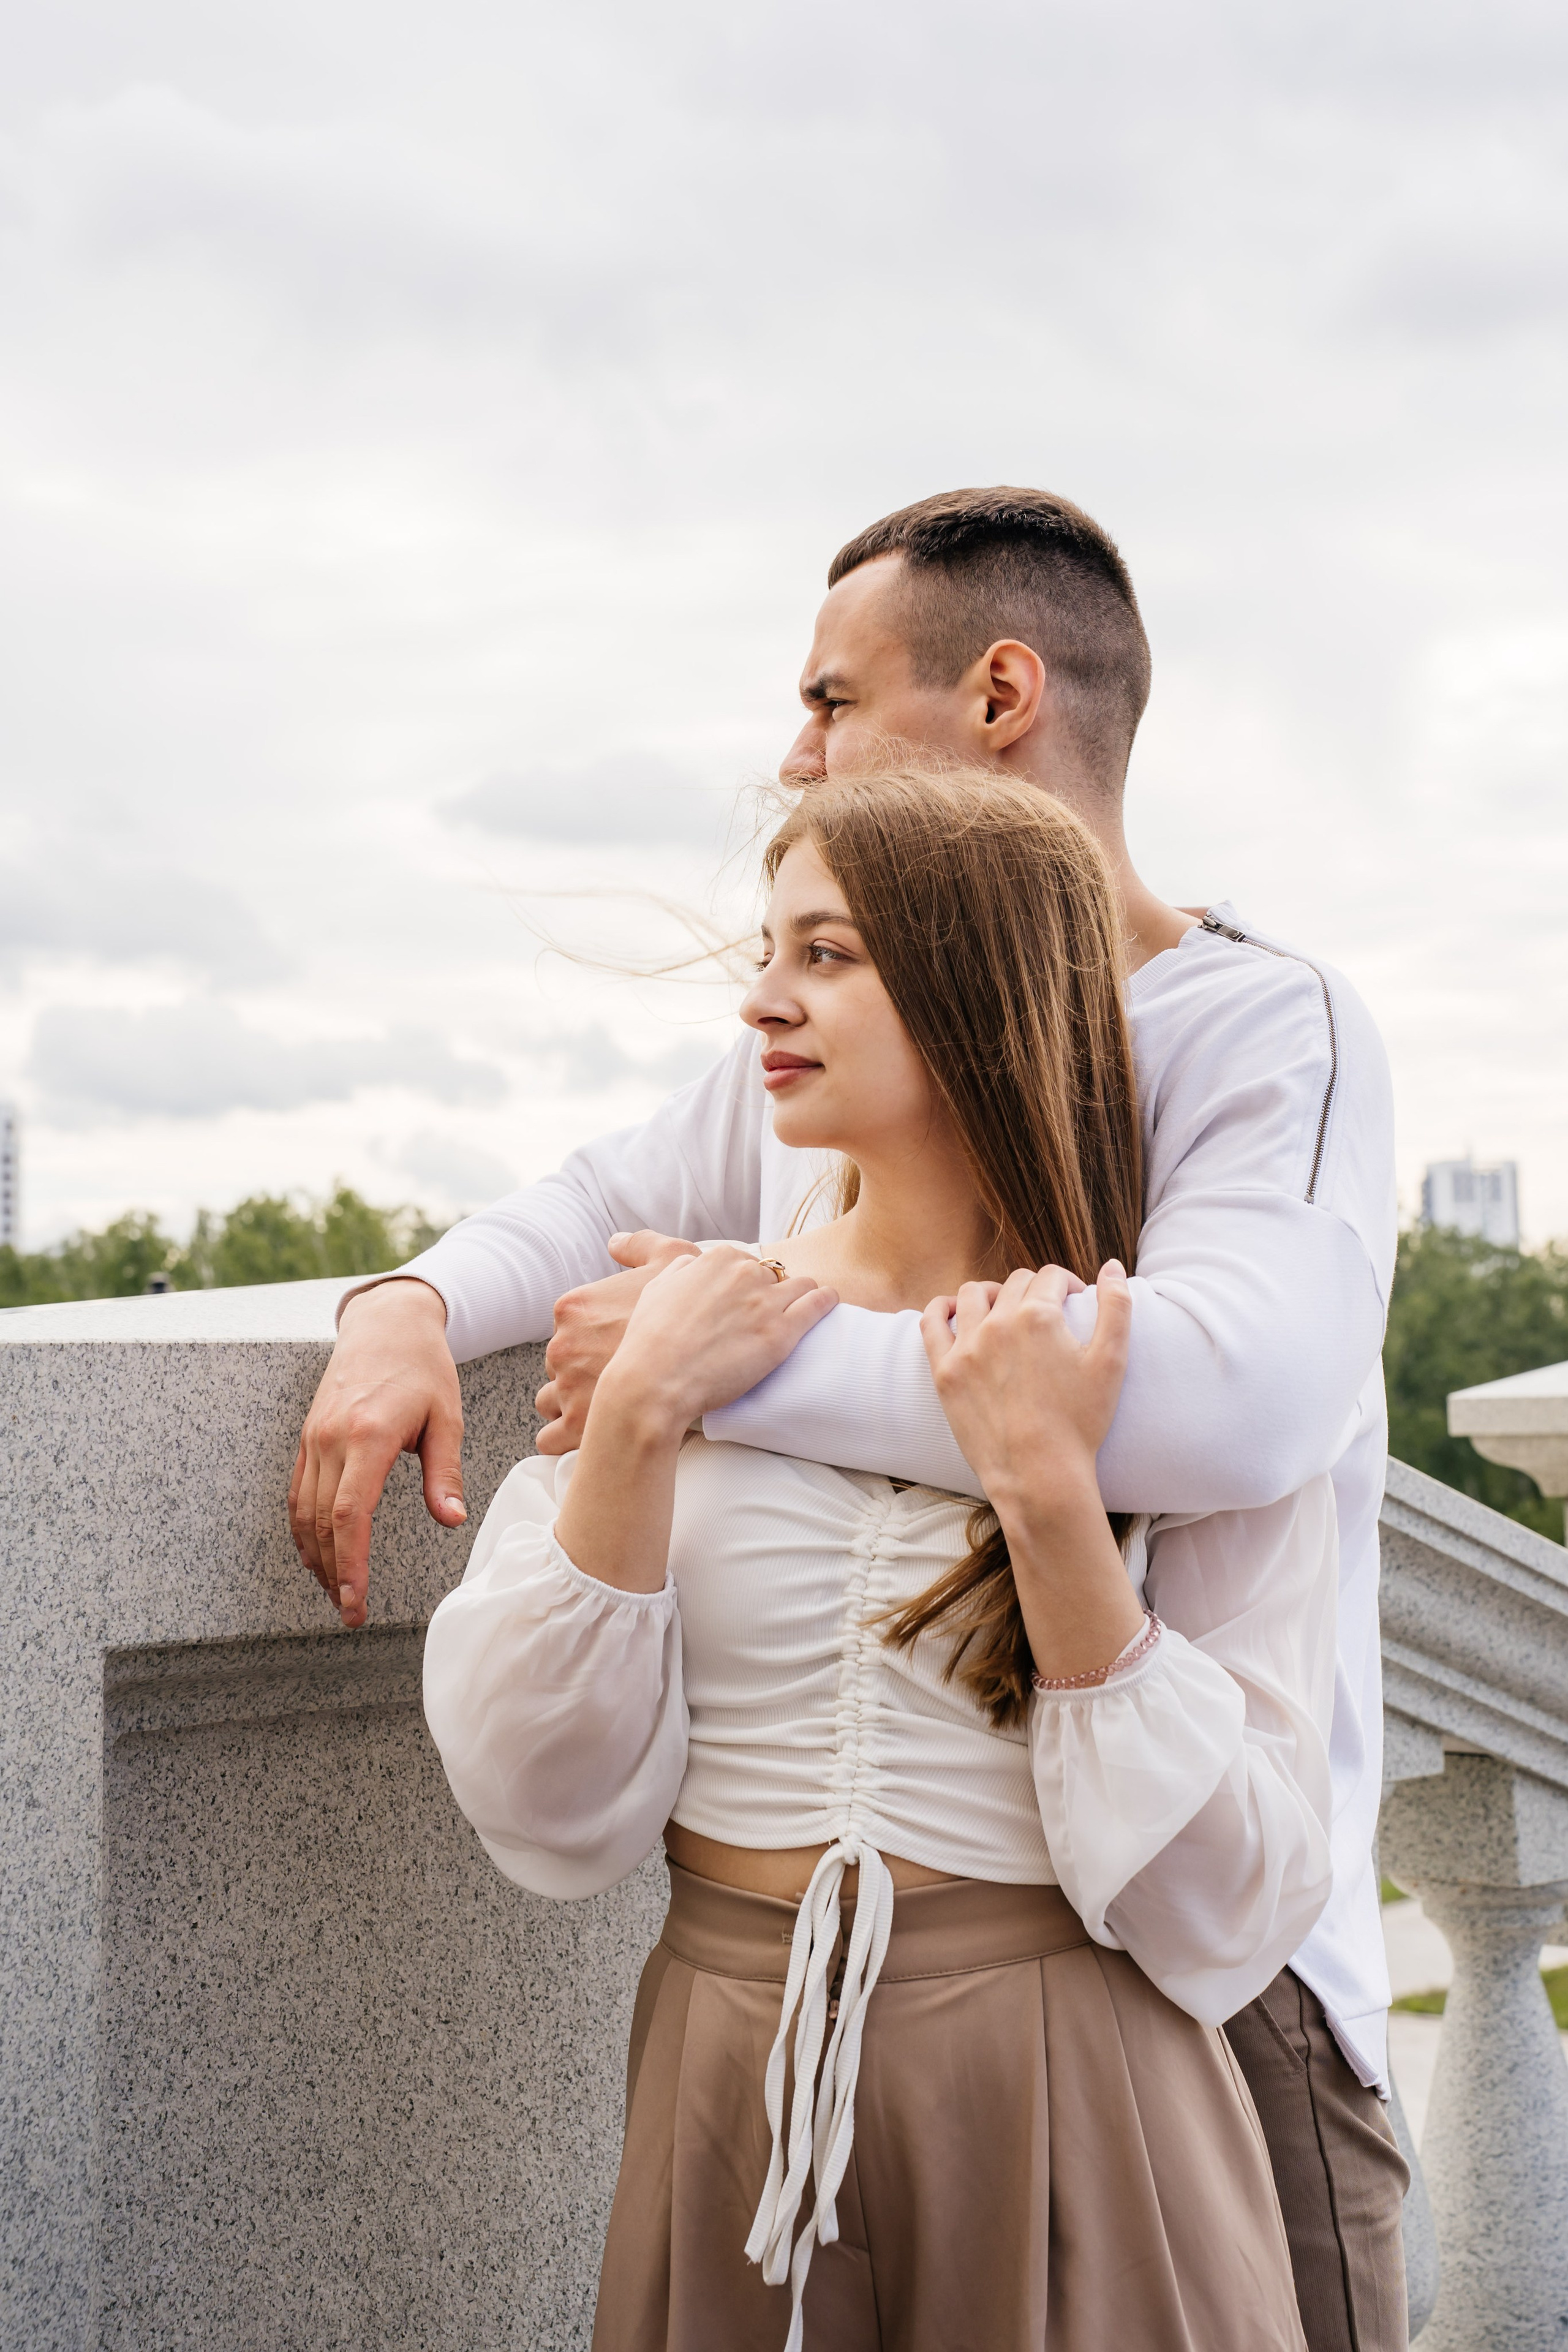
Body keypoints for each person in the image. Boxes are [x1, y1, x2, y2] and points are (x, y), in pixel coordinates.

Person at [291, 488, 1408, 2351]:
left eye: (827, 699)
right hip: (755, 2059)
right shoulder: (803, 1098)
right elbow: (590, 1198)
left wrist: (739, 1367)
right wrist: (412, 1309)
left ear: (999, 694)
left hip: (1196, 1987)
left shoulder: (1269, 1028)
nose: (793, 747)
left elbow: (1238, 1408)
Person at [423, 767, 1329, 2351]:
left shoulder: (1160, 1386)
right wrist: (634, 1419)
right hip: (729, 2071)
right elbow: (544, 1807)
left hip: (1079, 2097)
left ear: (980, 983)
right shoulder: (676, 1329)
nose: (764, 1000)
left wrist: (1051, 1500)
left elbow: (1234, 1909)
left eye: (827, 955)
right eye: (767, 952)